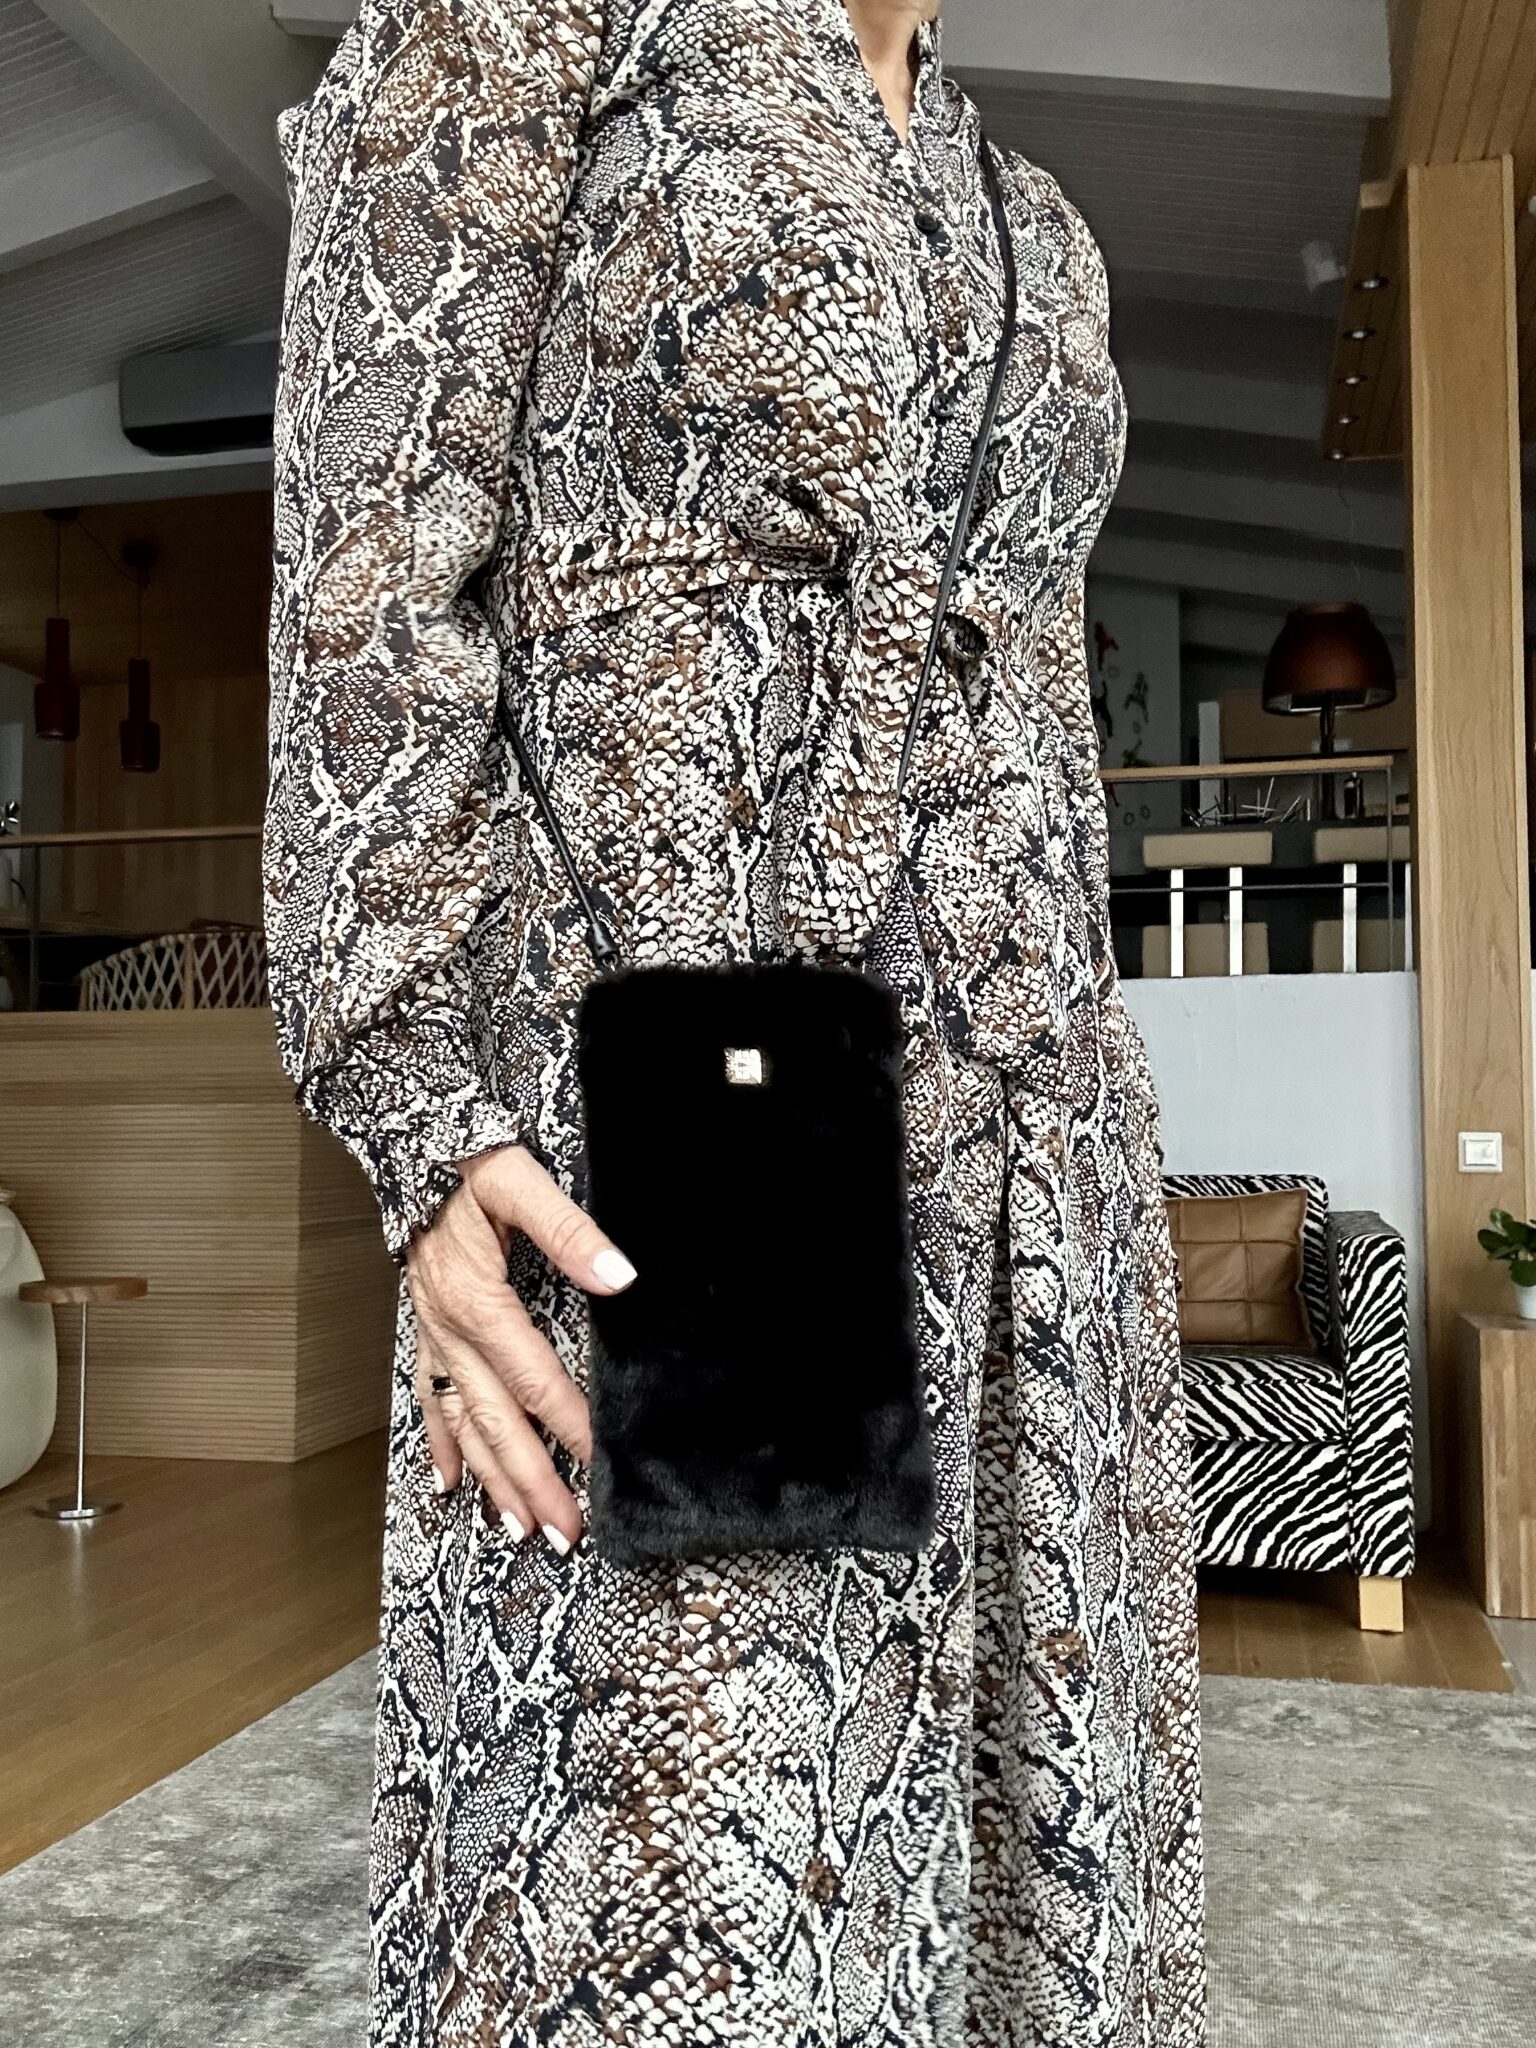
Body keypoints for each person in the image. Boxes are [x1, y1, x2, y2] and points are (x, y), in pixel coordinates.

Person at [263, 1, 1206, 2041]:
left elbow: (1034, 682)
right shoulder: (537, 31)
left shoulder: (1028, 206)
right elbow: (367, 584)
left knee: (1012, 1877)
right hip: (676, 1115)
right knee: (683, 1878)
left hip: (1023, 1135)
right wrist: (418, 1108)